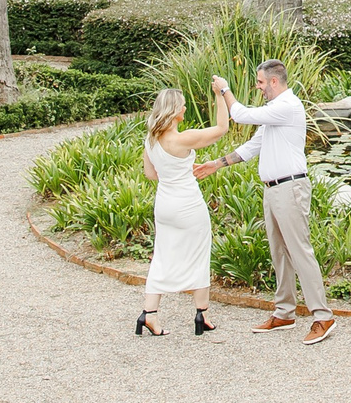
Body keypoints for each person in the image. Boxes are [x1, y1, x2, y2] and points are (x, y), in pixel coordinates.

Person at [199, 58, 335, 343]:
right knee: (279, 252)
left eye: (260, 82)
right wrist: (217, 163)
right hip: (273, 190)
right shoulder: (274, 111)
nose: (258, 87)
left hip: (291, 188)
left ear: (274, 81)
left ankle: (323, 317)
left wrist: (224, 90)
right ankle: (284, 313)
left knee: (300, 251)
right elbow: (254, 146)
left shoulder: (288, 106)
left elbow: (240, 114)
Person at [136, 81, 229, 337]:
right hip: (188, 204)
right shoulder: (183, 139)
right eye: (183, 105)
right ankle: (202, 314)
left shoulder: (151, 140)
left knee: (162, 256)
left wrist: (170, 172)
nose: (186, 108)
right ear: (174, 110)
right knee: (198, 256)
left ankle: (149, 315)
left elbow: (150, 174)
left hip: (164, 205)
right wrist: (220, 94)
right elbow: (222, 128)